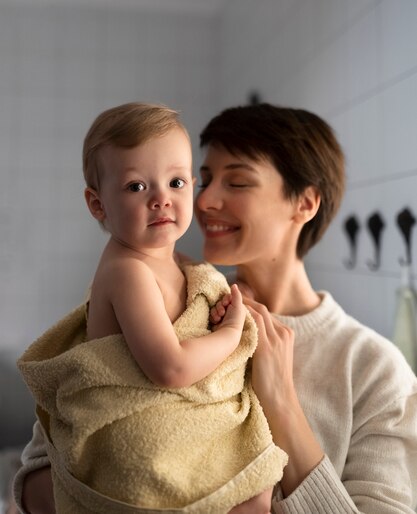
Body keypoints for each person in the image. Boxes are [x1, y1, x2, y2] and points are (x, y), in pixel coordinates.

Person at [15, 102, 417, 513]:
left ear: (305, 203)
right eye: (204, 180)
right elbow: (42, 470)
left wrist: (281, 402)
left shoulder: (373, 370)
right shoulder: (168, 300)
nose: (205, 202)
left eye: (238, 183)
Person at [16, 103, 287, 514]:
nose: (161, 199)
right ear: (97, 204)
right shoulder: (129, 272)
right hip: (138, 433)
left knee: (258, 482)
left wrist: (214, 303)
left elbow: (187, 314)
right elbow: (172, 368)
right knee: (254, 478)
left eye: (176, 182)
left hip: (179, 417)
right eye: (136, 187)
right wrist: (228, 334)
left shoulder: (174, 262)